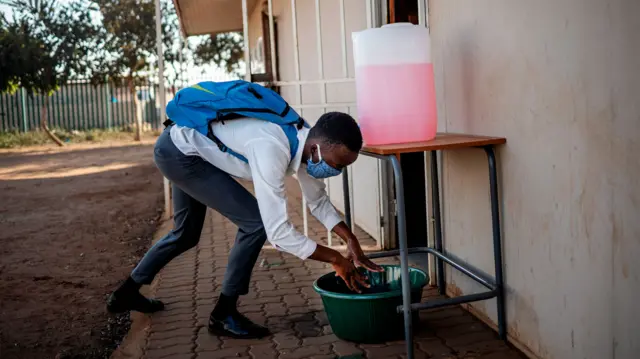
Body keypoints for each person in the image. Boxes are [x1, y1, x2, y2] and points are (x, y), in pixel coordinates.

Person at [106, 110, 382, 339]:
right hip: (180, 153)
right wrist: (334, 258)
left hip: (189, 147)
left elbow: (318, 202)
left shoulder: (306, 143)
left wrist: (351, 241)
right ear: (317, 148)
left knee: (186, 233)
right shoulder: (273, 147)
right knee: (256, 223)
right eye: (336, 164)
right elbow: (278, 233)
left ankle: (126, 293)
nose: (335, 171)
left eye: (342, 167)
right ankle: (223, 314)